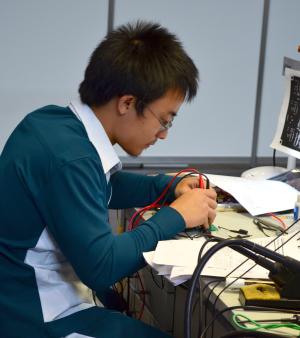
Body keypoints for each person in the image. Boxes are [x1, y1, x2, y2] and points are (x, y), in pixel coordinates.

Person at [0, 21, 217, 338]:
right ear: (127, 103)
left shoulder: (52, 123)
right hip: (34, 318)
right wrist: (178, 216)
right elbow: (102, 266)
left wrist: (166, 187)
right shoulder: (71, 158)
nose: (163, 134)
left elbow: (99, 187)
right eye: (164, 120)